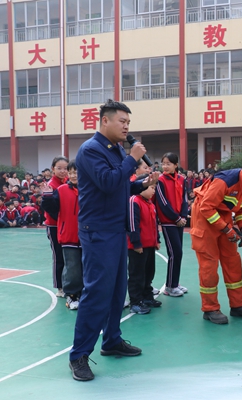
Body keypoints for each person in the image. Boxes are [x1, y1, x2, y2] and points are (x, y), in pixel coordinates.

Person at [69, 99, 160, 381]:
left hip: (115, 229)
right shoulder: (90, 150)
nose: (126, 127)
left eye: (128, 123)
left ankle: (111, 340)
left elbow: (118, 184)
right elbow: (108, 182)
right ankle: (79, 355)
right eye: (122, 121)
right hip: (98, 231)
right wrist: (132, 159)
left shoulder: (116, 149)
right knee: (97, 292)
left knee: (118, 289)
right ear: (104, 121)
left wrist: (141, 183)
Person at [190, 155, 242, 325]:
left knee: (233, 263)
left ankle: (238, 306)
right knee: (209, 266)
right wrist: (227, 229)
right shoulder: (224, 182)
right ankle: (210, 309)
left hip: (223, 216)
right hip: (204, 219)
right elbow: (206, 207)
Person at [41, 160, 83, 310]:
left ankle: (84, 293)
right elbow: (52, 208)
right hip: (69, 237)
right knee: (72, 268)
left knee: (87, 267)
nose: (72, 175)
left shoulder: (90, 189)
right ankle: (71, 295)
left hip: (87, 237)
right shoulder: (62, 190)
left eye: (75, 172)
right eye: (70, 172)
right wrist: (46, 197)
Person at [155, 153, 188, 297]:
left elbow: (184, 200)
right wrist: (176, 218)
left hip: (179, 221)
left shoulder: (182, 179)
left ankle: (175, 283)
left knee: (178, 253)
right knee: (175, 253)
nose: (165, 166)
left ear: (176, 165)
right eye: (164, 163)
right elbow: (163, 203)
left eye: (168, 163)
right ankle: (170, 286)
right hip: (169, 222)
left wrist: (183, 216)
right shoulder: (160, 180)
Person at [127, 177, 162, 314]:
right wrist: (136, 243)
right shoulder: (134, 201)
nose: (154, 191)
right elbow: (132, 224)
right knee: (137, 274)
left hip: (150, 245)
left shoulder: (150, 204)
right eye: (152, 188)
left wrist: (157, 240)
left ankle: (147, 297)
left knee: (149, 272)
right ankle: (135, 301)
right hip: (138, 246)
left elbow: (154, 224)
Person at [44, 156, 69, 297]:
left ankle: (69, 283)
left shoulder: (68, 183)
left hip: (67, 225)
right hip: (54, 226)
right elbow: (51, 209)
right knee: (58, 256)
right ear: (53, 168)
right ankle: (60, 287)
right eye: (59, 168)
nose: (63, 171)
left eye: (65, 168)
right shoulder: (51, 185)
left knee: (69, 257)